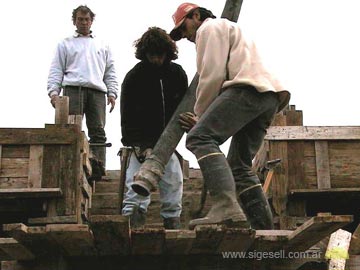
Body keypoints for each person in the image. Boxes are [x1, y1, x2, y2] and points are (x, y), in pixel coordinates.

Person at [170, 3, 291, 229]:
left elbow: (212, 74)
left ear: (196, 15)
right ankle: (264, 228)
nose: (184, 36)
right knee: (239, 165)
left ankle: (225, 206)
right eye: (179, 34)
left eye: (183, 28)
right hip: (268, 97)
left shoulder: (209, 28)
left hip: (247, 89)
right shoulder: (229, 29)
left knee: (199, 138)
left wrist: (200, 117)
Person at [120, 27, 188, 229]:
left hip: (168, 143)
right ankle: (132, 229)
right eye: (152, 55)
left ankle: (172, 225)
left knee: (174, 181)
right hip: (140, 143)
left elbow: (185, 108)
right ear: (144, 54)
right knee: (134, 188)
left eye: (160, 55)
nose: (156, 60)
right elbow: (127, 116)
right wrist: (139, 145)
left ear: (167, 53)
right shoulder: (134, 77)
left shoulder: (177, 74)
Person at [47, 5, 118, 172]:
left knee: (98, 131)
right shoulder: (65, 44)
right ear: (74, 21)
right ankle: (68, 167)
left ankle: (98, 168)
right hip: (73, 89)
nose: (84, 22)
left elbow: (110, 71)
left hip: (97, 91)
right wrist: (53, 92)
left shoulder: (102, 45)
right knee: (70, 128)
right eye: (80, 19)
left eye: (87, 19)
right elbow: (57, 69)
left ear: (91, 21)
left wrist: (113, 92)